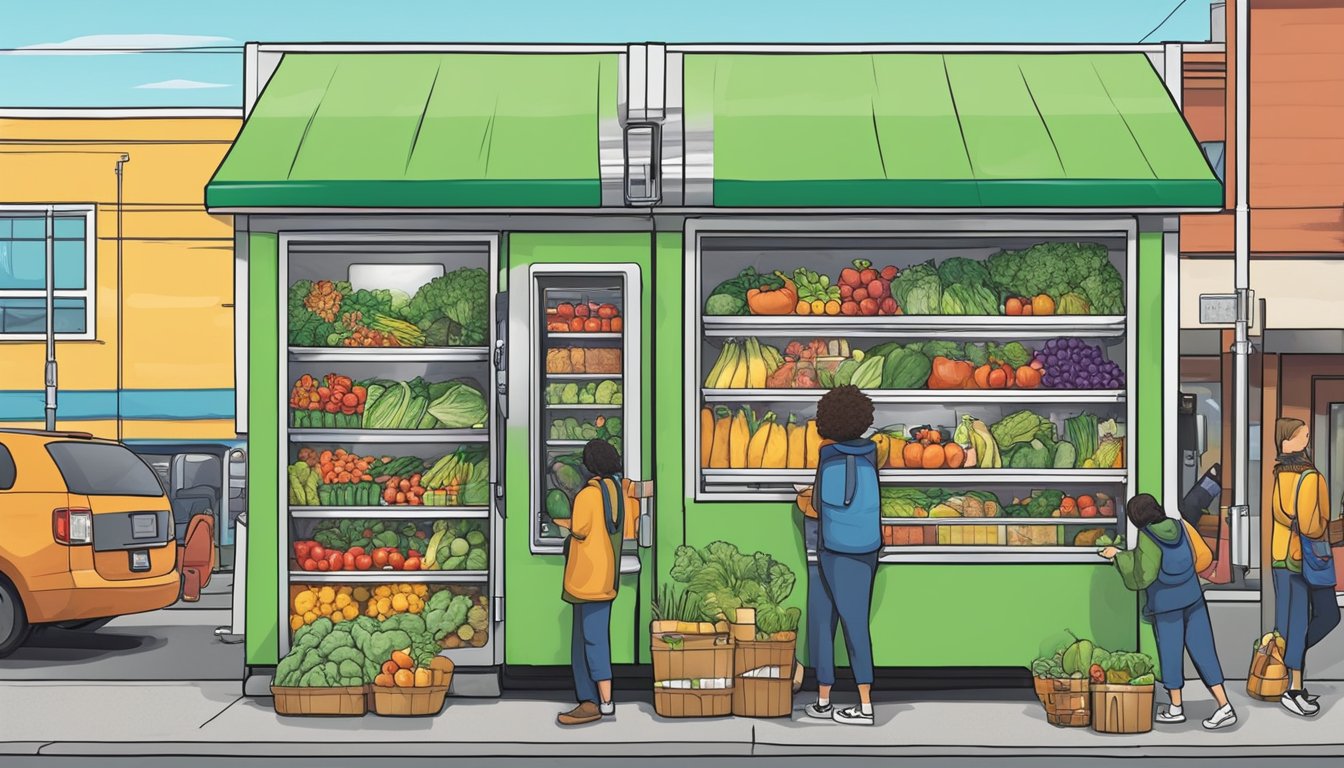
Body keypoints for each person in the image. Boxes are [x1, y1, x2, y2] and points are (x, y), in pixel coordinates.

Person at [1100, 493, 1236, 730]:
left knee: (1170, 654)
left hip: (1167, 604)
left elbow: (1143, 574)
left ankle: (1176, 709)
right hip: (1193, 597)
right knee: (1204, 651)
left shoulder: (1148, 536)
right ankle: (1224, 706)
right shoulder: (1178, 526)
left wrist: (1118, 557)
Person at [797, 385, 881, 726]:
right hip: (866, 548)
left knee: (823, 621)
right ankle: (857, 701)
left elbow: (818, 504)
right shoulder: (871, 452)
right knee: (856, 624)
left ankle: (838, 702)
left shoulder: (828, 455)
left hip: (832, 549)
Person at [553, 439, 637, 726]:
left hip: (585, 577)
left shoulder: (588, 495)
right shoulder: (617, 489)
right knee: (584, 640)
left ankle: (603, 702)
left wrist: (559, 521)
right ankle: (587, 697)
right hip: (606, 576)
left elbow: (579, 528)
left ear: (591, 465)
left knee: (592, 640)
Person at [1270, 417, 1340, 716]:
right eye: (1302, 436)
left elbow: (1280, 515)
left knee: (1292, 621)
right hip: (1305, 558)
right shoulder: (1311, 477)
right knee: (1318, 617)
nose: (1306, 440)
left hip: (1280, 557)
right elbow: (1313, 526)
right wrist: (1327, 523)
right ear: (1288, 440)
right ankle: (1293, 689)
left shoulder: (1279, 474)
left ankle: (1288, 664)